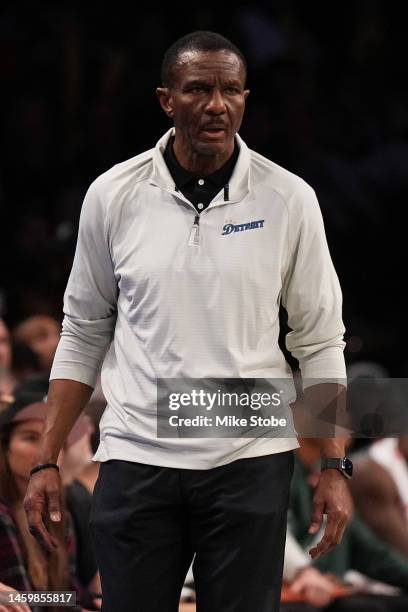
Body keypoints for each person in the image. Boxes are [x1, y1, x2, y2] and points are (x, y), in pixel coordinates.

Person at [24, 31, 352, 612]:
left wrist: (331, 464)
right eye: (198, 89)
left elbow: (320, 339)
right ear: (166, 100)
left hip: (248, 458)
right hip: (135, 454)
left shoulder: (290, 199)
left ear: (246, 98)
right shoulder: (112, 194)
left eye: (231, 90)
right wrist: (48, 457)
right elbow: (82, 331)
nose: (217, 104)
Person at [0, 377, 98, 611]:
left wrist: (88, 603)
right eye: (30, 438)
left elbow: (64, 594)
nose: (42, 454)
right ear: (5, 446)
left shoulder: (63, 508)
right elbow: (19, 599)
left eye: (56, 443)